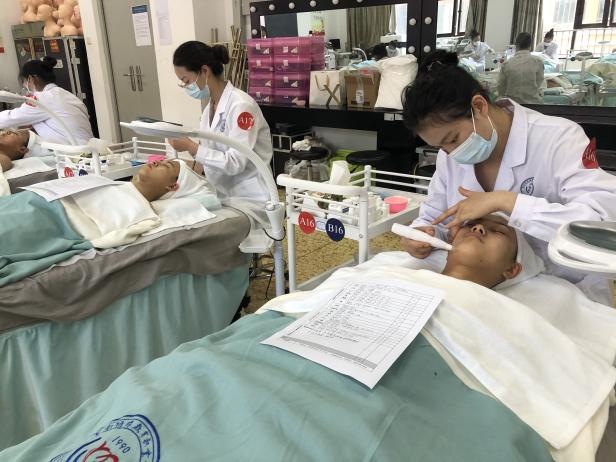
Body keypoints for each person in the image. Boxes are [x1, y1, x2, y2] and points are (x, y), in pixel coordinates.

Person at [400, 49, 616, 305]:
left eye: (453, 139)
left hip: (564, 291)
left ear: (479, 106)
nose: (450, 153)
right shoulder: (451, 155)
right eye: (440, 147)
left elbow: (602, 222)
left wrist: (506, 201)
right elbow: (433, 217)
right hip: (484, 290)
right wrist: (421, 235)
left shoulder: (558, 139)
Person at [168, 41, 273, 203]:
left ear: (205, 71)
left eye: (187, 81)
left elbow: (235, 163)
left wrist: (190, 146)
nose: (187, 87)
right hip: (224, 194)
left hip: (252, 197)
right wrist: (183, 161)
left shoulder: (241, 106)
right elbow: (210, 157)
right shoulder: (209, 110)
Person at [0, 57, 93, 144]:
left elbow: (10, 118)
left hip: (74, 151)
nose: (25, 85)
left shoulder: (43, 98)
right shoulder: (66, 95)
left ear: (31, 79)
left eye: (24, 81)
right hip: (89, 148)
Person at [498, 32, 544, 104]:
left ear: (516, 45)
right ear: (530, 45)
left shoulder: (506, 64)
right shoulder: (538, 61)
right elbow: (539, 82)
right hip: (533, 104)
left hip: (513, 104)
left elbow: (501, 86)